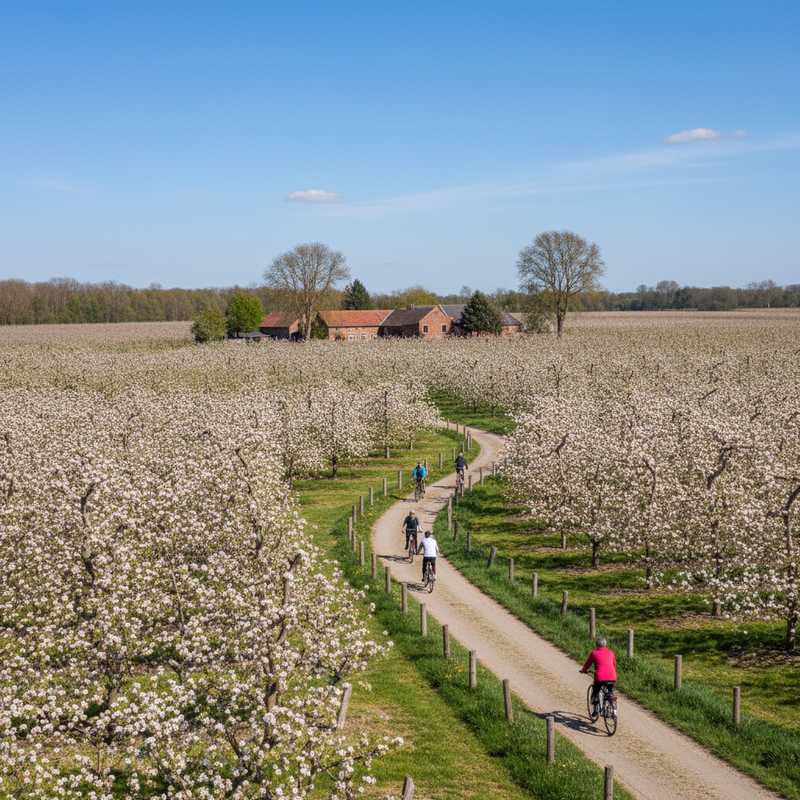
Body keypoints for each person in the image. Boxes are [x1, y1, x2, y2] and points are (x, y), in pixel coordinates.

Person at [580, 637, 617, 711]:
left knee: (596, 691)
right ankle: (612, 706)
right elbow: (614, 664)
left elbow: (588, 664)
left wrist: (583, 670)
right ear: (605, 645)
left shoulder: (594, 653)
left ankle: (595, 709)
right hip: (612, 676)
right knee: (610, 691)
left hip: (600, 677)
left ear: (596, 645)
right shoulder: (611, 652)